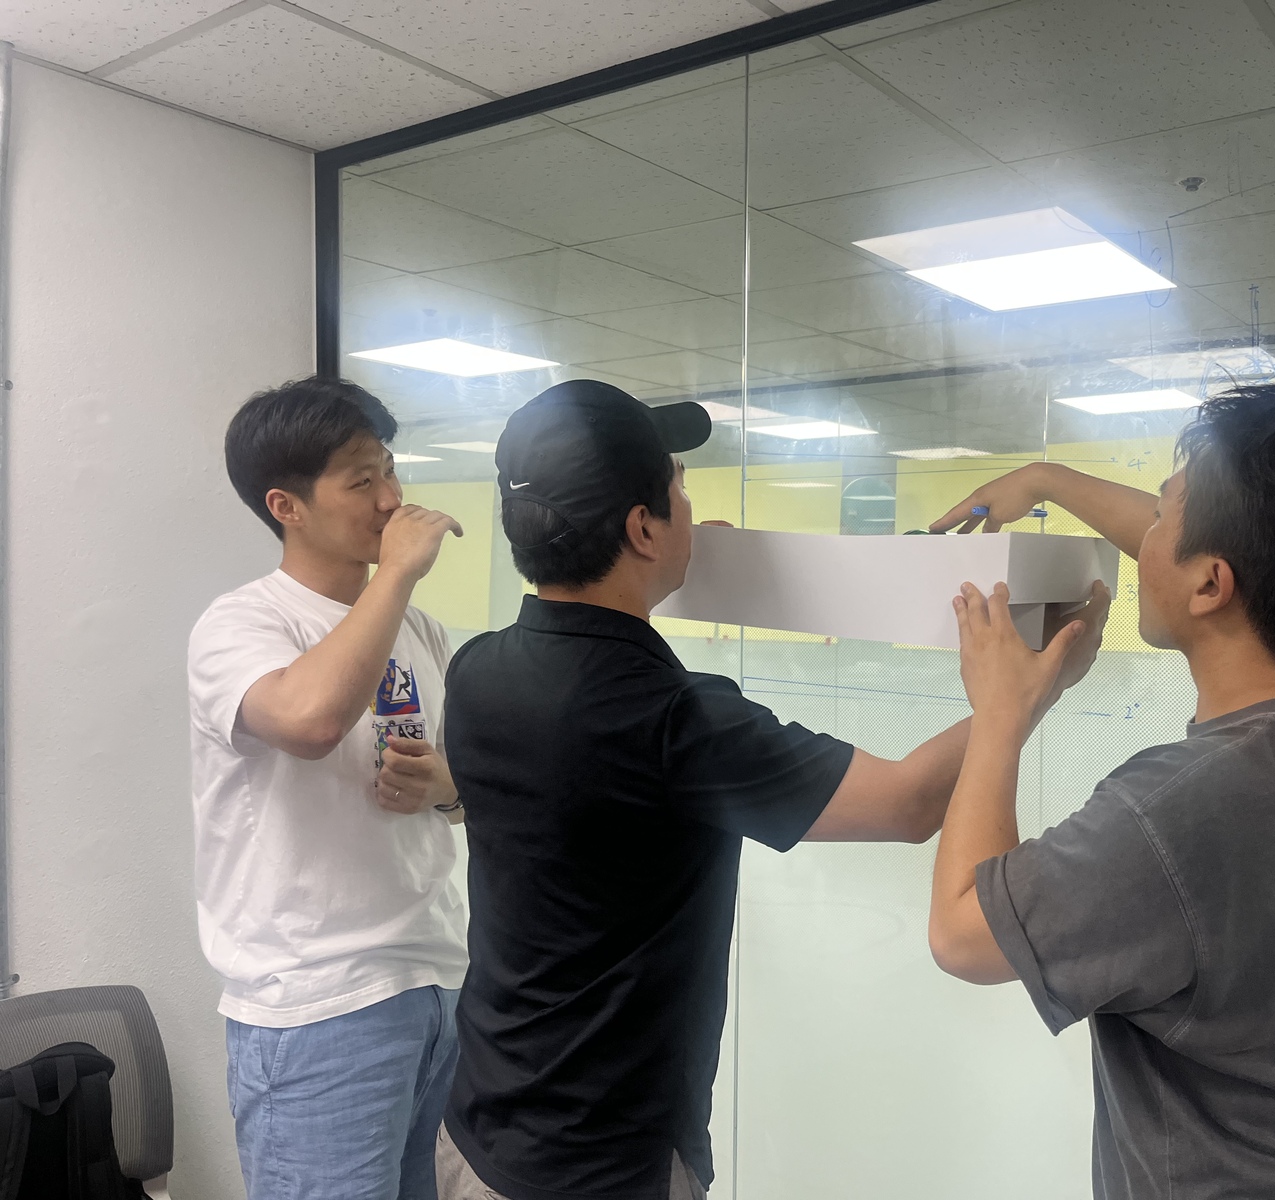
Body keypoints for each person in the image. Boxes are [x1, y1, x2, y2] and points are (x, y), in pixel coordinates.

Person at [436, 379, 1058, 1200]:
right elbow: (907, 803)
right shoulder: (675, 721)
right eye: (680, 490)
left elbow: (589, 687)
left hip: (479, 1131)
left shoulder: (477, 669)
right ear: (642, 528)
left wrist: (660, 571)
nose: (692, 509)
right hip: (601, 1168)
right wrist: (1034, 688)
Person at [927, 384, 1275, 1199]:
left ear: (1211, 583)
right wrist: (1046, 478)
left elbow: (963, 933)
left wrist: (1004, 712)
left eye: (1163, 515)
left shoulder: (1181, 814)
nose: (1145, 533)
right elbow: (1250, 554)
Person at [188, 377, 470, 1200]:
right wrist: (399, 574)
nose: (391, 499)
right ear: (288, 507)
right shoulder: (243, 623)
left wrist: (444, 786)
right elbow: (309, 721)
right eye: (361, 480)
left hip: (436, 981)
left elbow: (468, 792)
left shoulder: (422, 632)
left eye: (391, 470)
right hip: (318, 1004)